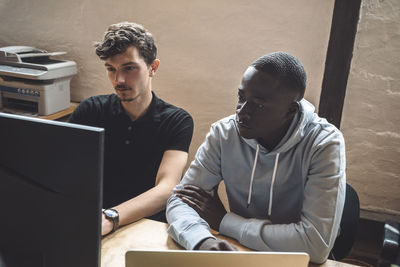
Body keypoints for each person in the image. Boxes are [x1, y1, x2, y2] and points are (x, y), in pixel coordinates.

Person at [166, 52, 346, 264]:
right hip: (239, 253)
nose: (242, 112)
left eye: (258, 104)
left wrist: (225, 221)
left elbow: (315, 246)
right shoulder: (224, 134)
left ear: (291, 110)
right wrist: (201, 241)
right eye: (241, 97)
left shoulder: (324, 144)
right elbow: (181, 200)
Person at [69, 22, 193, 236]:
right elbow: (61, 167)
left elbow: (166, 190)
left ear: (153, 68)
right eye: (111, 69)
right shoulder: (91, 110)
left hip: (146, 225)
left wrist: (111, 218)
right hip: (92, 220)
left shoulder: (177, 120)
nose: (119, 80)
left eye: (129, 68)